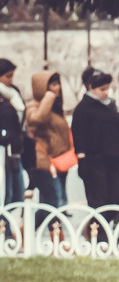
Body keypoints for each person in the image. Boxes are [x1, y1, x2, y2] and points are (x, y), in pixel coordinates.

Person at [72, 68, 119, 223]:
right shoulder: (83, 108)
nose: (106, 93)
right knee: (99, 202)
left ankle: (95, 229)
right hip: (93, 162)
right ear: (91, 87)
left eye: (107, 89)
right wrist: (82, 159)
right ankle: (98, 236)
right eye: (102, 89)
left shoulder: (108, 106)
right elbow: (78, 136)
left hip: (112, 160)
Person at [25, 70, 72, 213]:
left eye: (58, 84)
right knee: (53, 203)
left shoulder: (56, 108)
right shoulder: (34, 107)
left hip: (60, 161)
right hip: (45, 162)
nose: (57, 88)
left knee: (58, 203)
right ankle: (27, 230)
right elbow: (38, 119)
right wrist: (48, 97)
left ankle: (56, 234)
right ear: (42, 87)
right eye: (53, 84)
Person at [0, 59, 25, 211]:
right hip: (4, 150)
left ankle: (7, 227)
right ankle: (5, 229)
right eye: (8, 76)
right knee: (6, 192)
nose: (11, 80)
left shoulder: (14, 93)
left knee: (18, 193)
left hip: (15, 150)